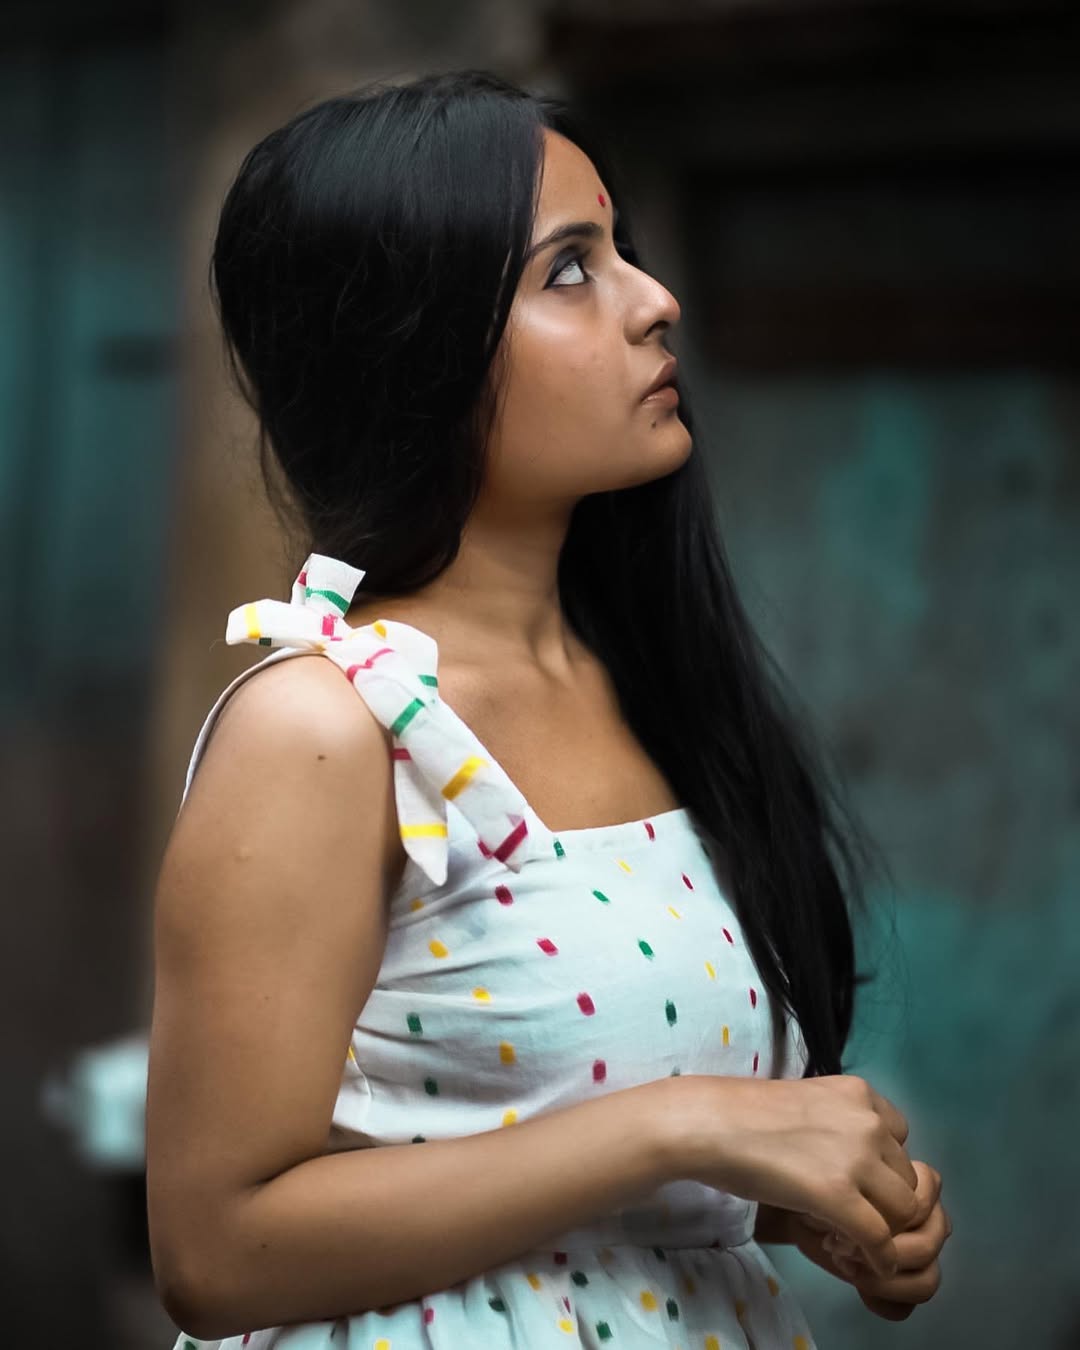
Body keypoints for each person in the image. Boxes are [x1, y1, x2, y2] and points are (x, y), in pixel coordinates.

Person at [146, 68, 951, 1350]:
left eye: (623, 252)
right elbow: (216, 1250)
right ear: (410, 349)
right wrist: (680, 1126)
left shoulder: (654, 690)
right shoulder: (331, 729)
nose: (655, 300)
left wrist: (779, 1194)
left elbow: (544, 1155)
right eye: (570, 270)